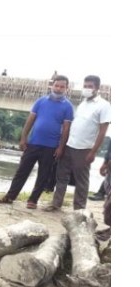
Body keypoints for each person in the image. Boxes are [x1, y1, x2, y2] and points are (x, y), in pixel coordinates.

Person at [0, 75, 74, 209]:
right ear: (52, 86)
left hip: (51, 147)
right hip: (33, 143)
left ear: (66, 88)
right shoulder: (41, 101)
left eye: (62, 86)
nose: (59, 89)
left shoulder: (68, 107)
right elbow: (30, 120)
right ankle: (10, 197)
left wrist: (61, 147)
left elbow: (66, 129)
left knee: (43, 174)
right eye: (57, 85)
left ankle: (33, 200)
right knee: (22, 171)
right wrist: (23, 138)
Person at [44, 75, 111, 211]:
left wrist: (93, 151)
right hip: (69, 145)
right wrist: (63, 145)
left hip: (85, 148)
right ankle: (56, 204)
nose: (86, 89)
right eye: (85, 86)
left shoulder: (104, 105)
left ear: (97, 88)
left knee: (82, 181)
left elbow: (103, 131)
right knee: (61, 176)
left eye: (90, 86)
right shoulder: (82, 103)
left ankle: (79, 209)